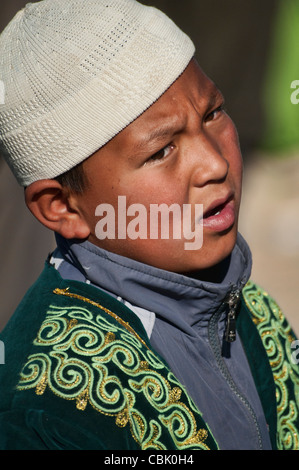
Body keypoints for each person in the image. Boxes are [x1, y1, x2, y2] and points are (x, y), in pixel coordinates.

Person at [0, 0, 298, 451]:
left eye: (213, 113)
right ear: (62, 206)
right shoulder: (46, 413)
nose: (214, 164)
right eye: (161, 151)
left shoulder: (246, 303)